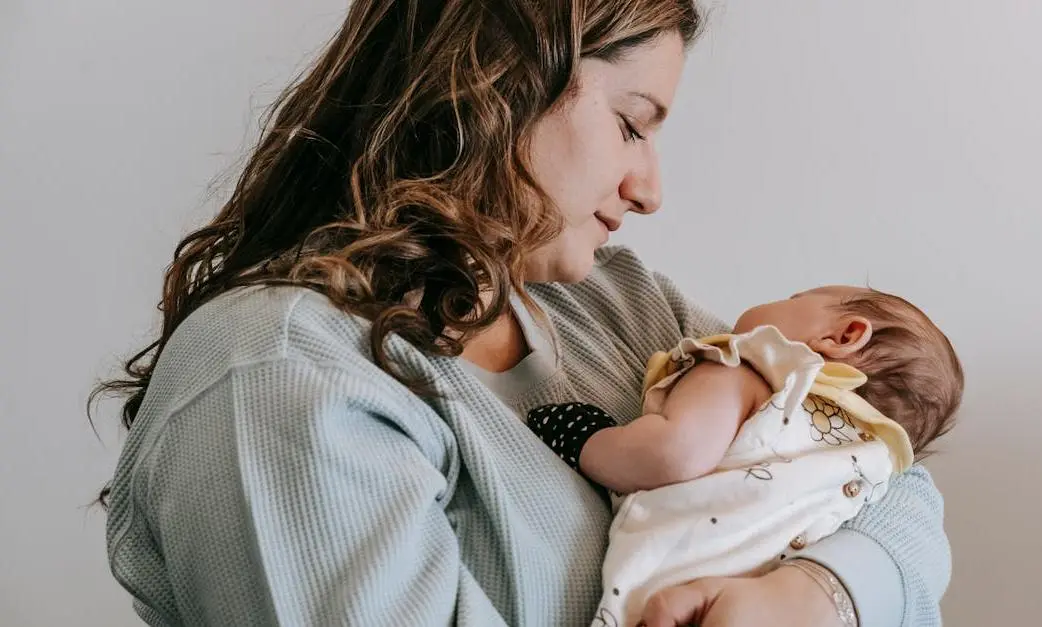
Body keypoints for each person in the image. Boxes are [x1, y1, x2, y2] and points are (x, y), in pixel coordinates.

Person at [94, 2, 952, 625]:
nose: (650, 189)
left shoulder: (617, 301)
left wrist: (808, 598)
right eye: (631, 125)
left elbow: (886, 474)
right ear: (497, 79)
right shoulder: (284, 375)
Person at [525, 286, 963, 626]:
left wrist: (586, 437)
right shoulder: (870, 457)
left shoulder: (747, 366)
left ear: (843, 335)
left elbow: (674, 453)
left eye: (795, 297)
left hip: (671, 597)